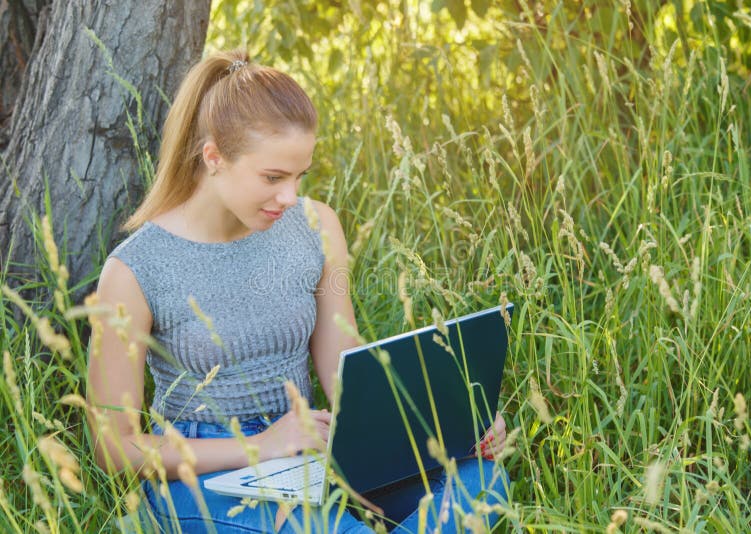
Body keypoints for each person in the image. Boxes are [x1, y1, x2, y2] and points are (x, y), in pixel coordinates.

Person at [87, 49, 509, 533]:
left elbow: (346, 369)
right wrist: (260, 446)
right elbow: (112, 447)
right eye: (272, 177)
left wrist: (453, 424)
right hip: (206, 471)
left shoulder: (316, 225)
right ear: (214, 158)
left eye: (298, 176)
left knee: (481, 483)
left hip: (314, 443)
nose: (289, 197)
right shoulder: (134, 269)